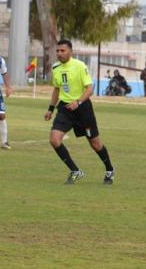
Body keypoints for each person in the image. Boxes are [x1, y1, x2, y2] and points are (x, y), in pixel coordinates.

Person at [45, 39, 116, 185]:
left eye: (62, 51)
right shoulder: (56, 67)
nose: (59, 53)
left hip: (82, 109)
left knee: (95, 144)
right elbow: (57, 89)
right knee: (54, 139)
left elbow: (90, 89)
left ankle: (109, 169)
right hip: (65, 109)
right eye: (57, 51)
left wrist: (78, 102)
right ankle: (75, 171)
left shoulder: (79, 66)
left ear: (70, 51)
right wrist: (51, 109)